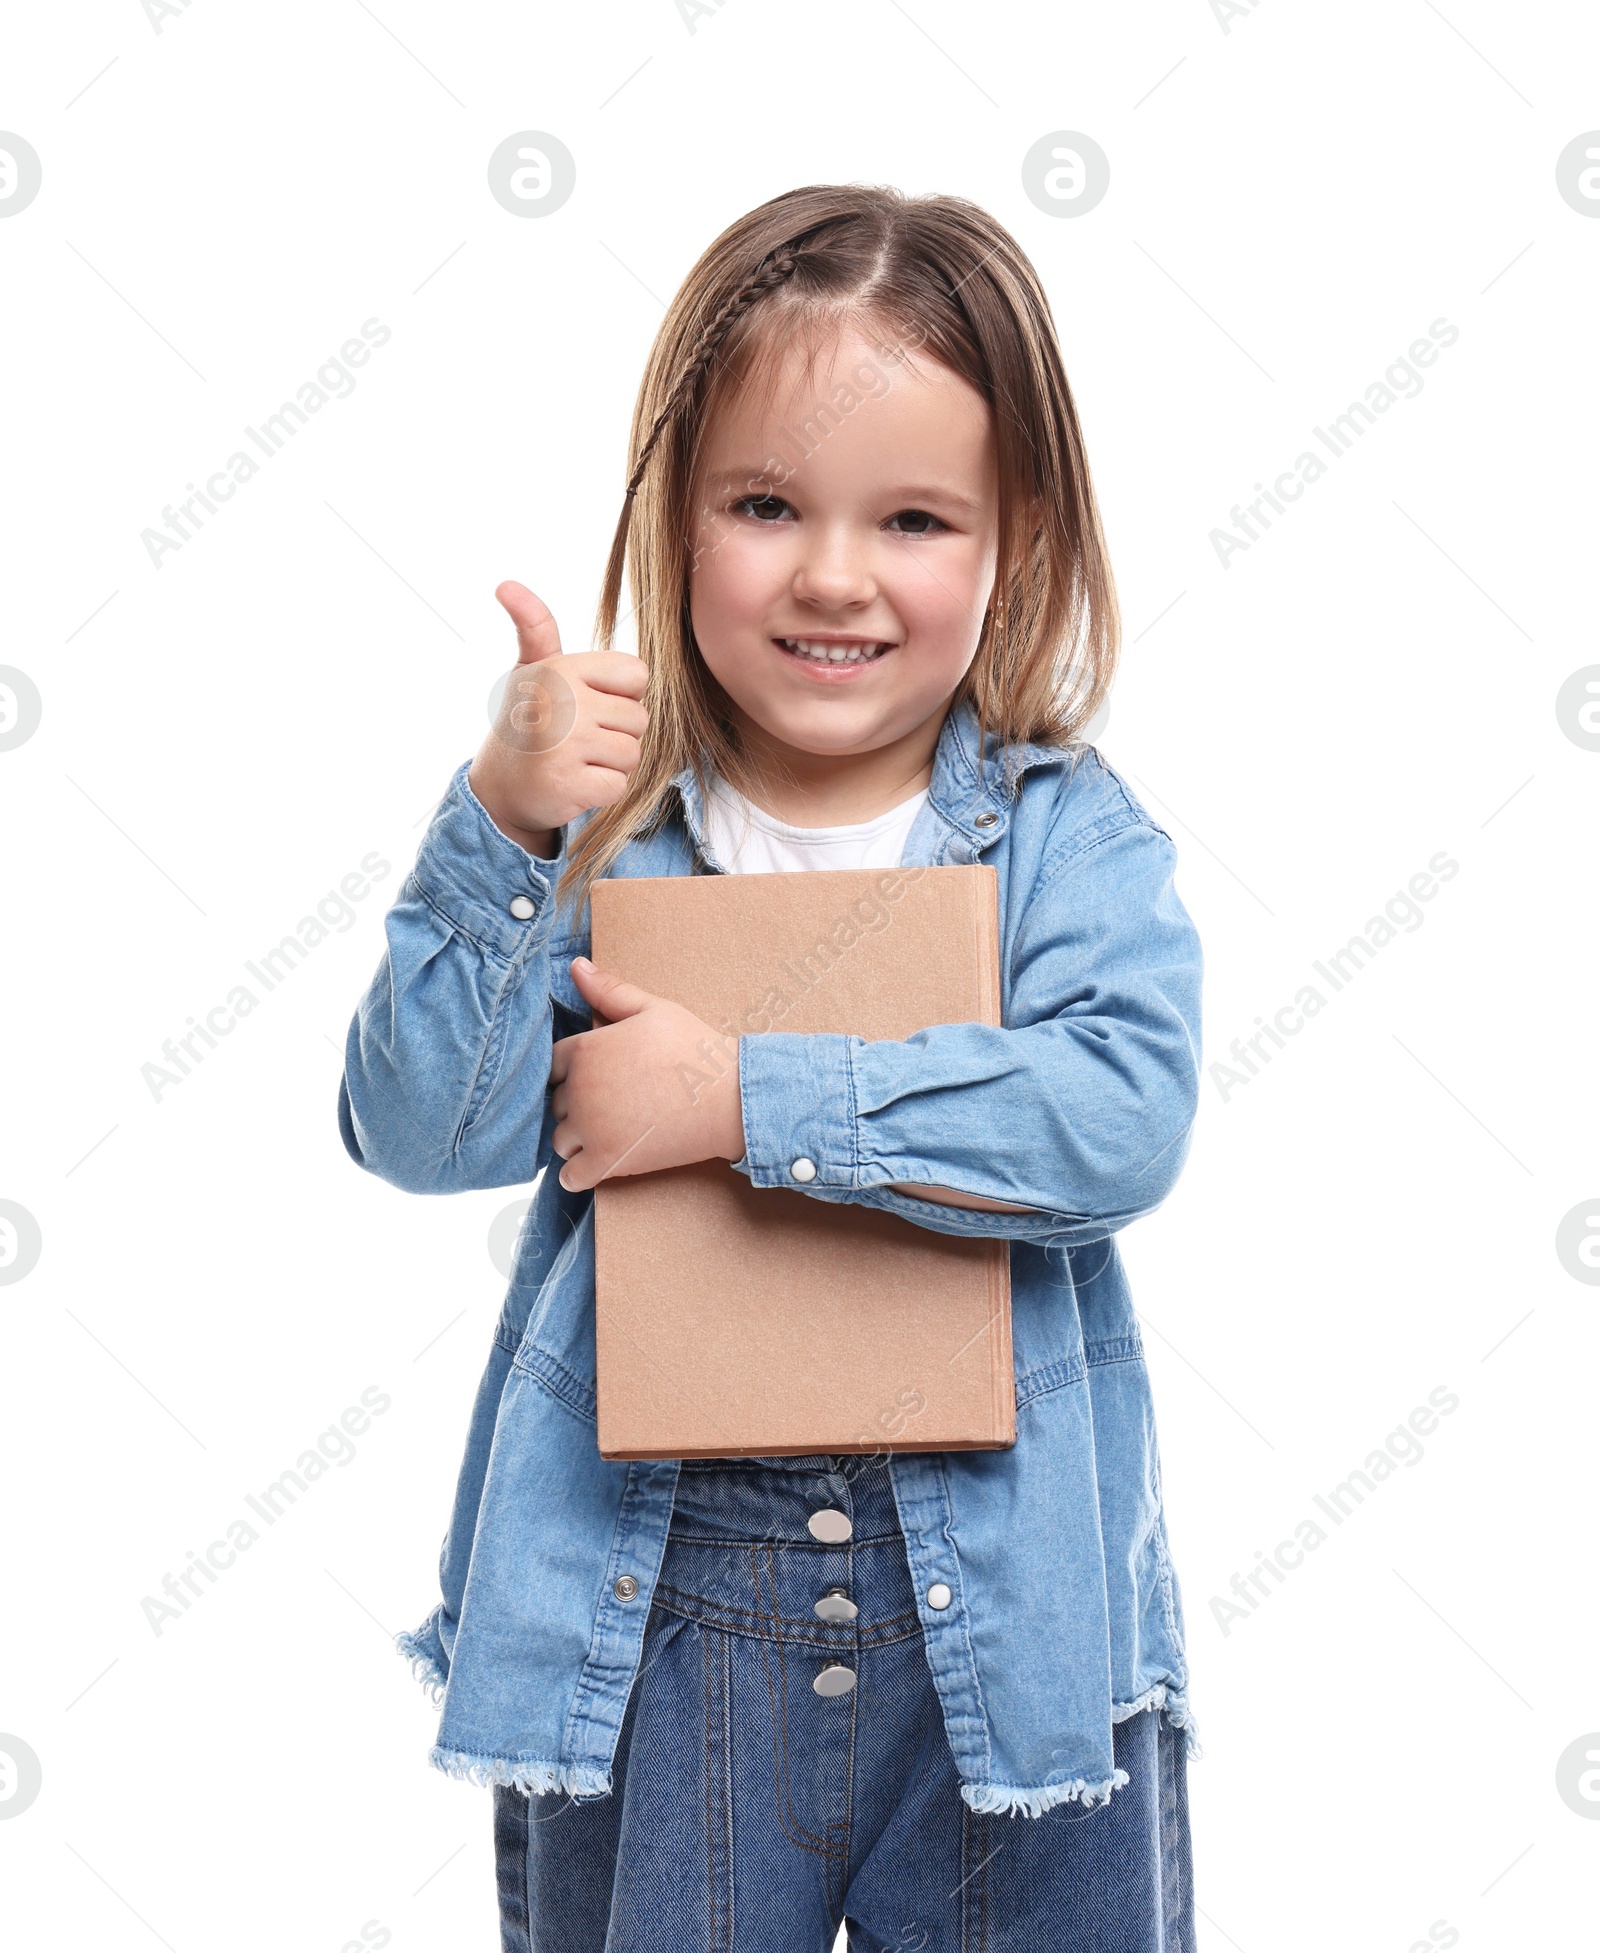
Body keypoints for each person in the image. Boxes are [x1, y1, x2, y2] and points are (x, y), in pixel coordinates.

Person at [339, 182, 1205, 1952]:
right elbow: (423, 1128)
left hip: (1007, 1613)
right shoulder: (608, 839)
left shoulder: (1065, 839)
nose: (831, 572)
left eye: (910, 517)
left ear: (1011, 540)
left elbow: (1119, 1114)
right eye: (763, 505)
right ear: (676, 516)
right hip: (660, 1608)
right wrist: (502, 827)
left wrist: (743, 1102)